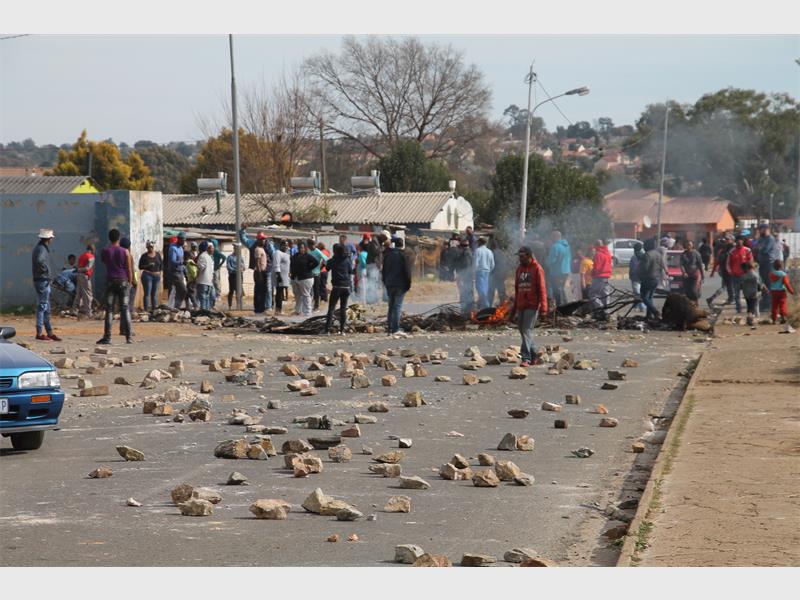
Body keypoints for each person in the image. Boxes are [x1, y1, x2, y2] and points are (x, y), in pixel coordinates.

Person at [509, 246, 547, 367]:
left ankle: (526, 358)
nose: (520, 259)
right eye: (519, 256)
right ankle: (534, 355)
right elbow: (517, 290)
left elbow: (542, 289)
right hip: (521, 304)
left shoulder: (537, 268)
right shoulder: (519, 269)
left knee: (527, 330)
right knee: (523, 331)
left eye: (522, 256)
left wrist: (544, 308)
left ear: (529, 256)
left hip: (532, 305)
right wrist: (513, 310)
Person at [97, 228, 133, 345]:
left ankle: (107, 337)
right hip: (123, 281)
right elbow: (129, 269)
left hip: (111, 281)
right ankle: (129, 337)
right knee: (125, 309)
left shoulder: (105, 251)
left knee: (109, 310)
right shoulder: (125, 251)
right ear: (119, 238)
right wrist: (130, 283)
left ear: (109, 238)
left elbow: (104, 262)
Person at [31, 228, 62, 341]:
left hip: (42, 279)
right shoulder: (41, 249)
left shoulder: (40, 248)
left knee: (47, 307)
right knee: (42, 306)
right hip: (42, 280)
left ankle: (49, 332)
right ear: (48, 238)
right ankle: (39, 333)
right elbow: (39, 261)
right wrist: (46, 271)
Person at [382, 237, 412, 335]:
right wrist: (408, 284)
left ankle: (389, 328)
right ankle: (395, 329)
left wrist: (385, 282)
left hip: (389, 284)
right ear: (402, 245)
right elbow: (407, 271)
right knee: (397, 306)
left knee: (391, 306)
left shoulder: (388, 255)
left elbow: (384, 270)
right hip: (400, 284)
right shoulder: (403, 255)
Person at [324, 243, 353, 335]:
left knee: (331, 308)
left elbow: (327, 268)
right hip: (346, 287)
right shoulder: (348, 260)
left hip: (337, 287)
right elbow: (350, 271)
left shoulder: (333, 260)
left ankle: (327, 330)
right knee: (343, 308)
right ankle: (342, 330)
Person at [753, 224, 782, 313]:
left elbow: (764, 250)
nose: (760, 231)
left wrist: (759, 248)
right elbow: (755, 247)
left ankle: (769, 305)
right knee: (763, 284)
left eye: (761, 229)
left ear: (766, 229)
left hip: (769, 264)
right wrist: (758, 247)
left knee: (769, 284)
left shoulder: (770, 239)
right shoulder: (761, 239)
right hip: (762, 264)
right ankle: (765, 303)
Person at [638, 238, 668, 321]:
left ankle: (655, 312)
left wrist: (640, 276)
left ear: (647, 246)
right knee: (650, 297)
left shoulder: (647, 255)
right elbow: (663, 265)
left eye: (644, 246)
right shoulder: (658, 254)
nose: (643, 247)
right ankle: (649, 315)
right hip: (656, 279)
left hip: (648, 279)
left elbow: (645, 268)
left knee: (644, 297)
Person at [290, 242, 319, 317]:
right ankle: (298, 311)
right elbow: (292, 265)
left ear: (305, 248)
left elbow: (316, 262)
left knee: (306, 295)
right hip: (296, 278)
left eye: (302, 248)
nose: (301, 249)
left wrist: (308, 268)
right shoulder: (295, 256)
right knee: (297, 295)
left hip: (306, 278)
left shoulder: (307, 256)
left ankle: (307, 312)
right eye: (300, 248)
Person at [726, 236, 754, 314]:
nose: (739, 243)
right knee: (737, 293)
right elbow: (728, 263)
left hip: (745, 275)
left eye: (740, 242)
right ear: (735, 242)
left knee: (747, 293)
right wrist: (730, 271)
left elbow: (751, 261)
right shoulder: (732, 251)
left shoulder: (747, 250)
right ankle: (739, 309)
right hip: (735, 275)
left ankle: (749, 309)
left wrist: (750, 272)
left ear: (743, 242)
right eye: (737, 242)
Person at [545, 230, 571, 307]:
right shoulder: (567, 246)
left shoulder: (555, 246)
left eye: (552, 237)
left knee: (557, 290)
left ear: (555, 237)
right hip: (566, 271)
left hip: (557, 272)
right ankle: (566, 304)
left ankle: (560, 306)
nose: (551, 239)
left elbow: (551, 260)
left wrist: (546, 263)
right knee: (562, 289)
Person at [767, 259, 796, 325]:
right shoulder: (783, 275)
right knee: (782, 304)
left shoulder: (771, 274)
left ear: (773, 266)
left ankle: (774, 320)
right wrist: (791, 291)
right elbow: (787, 284)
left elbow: (770, 283)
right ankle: (783, 317)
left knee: (774, 306)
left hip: (774, 292)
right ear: (781, 266)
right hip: (781, 292)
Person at [739, 262, 767, 326]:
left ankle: (750, 317)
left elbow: (741, 286)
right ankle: (750, 318)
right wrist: (762, 289)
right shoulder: (756, 275)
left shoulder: (743, 276)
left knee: (749, 305)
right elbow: (759, 284)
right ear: (753, 267)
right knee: (752, 307)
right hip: (754, 293)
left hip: (746, 293)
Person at [589, 240, 613, 314]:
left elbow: (597, 267)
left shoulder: (598, 254)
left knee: (592, 294)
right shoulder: (608, 253)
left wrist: (592, 273)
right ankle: (607, 311)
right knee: (605, 295)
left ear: (596, 246)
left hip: (598, 277)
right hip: (606, 276)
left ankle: (600, 308)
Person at [138, 241, 162, 313]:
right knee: (147, 293)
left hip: (156, 276)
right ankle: (146, 310)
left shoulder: (158, 255)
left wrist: (159, 273)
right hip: (147, 275)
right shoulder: (144, 256)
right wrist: (148, 266)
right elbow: (140, 267)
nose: (150, 248)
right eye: (149, 247)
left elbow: (161, 265)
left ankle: (154, 310)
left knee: (154, 294)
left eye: (151, 247)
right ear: (147, 247)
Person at [453, 238, 474, 316]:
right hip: (469, 277)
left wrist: (460, 277)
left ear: (462, 246)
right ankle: (469, 311)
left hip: (464, 277)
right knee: (469, 293)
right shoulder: (470, 253)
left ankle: (465, 311)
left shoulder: (464, 254)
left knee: (464, 293)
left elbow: (465, 267)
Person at [74, 243, 95, 319]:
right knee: (88, 294)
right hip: (85, 276)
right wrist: (80, 270)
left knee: (79, 293)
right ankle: (88, 312)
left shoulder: (82, 255)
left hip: (79, 275)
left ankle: (75, 310)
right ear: (92, 250)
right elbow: (87, 268)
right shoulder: (91, 257)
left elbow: (78, 265)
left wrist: (78, 270)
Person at [473, 237, 495, 310]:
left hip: (480, 272)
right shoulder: (490, 251)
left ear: (479, 242)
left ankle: (486, 306)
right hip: (487, 272)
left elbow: (476, 264)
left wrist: (474, 273)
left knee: (481, 290)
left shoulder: (478, 251)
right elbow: (493, 265)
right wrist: (489, 270)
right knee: (485, 289)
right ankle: (483, 307)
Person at [119, 237, 137, 321]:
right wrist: (133, 281)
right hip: (127, 280)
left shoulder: (116, 254)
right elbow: (131, 269)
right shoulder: (128, 255)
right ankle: (128, 314)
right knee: (129, 300)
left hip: (118, 279)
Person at [168, 233, 187, 309]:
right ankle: (177, 306)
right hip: (175, 272)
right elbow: (172, 261)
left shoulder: (181, 248)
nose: (184, 242)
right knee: (183, 290)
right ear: (179, 239)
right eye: (183, 240)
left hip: (181, 272)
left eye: (185, 240)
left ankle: (176, 307)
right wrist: (181, 262)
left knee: (178, 291)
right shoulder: (173, 248)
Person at [272, 240, 291, 315]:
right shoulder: (278, 253)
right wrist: (278, 275)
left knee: (281, 293)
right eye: (284, 245)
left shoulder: (286, 254)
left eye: (287, 245)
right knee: (279, 293)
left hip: (285, 276)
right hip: (280, 276)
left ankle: (279, 309)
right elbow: (276, 264)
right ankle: (278, 310)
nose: (286, 247)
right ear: (280, 246)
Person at [307, 240, 327, 311]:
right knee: (309, 290)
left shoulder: (318, 251)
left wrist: (321, 266)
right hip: (309, 274)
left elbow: (326, 259)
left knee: (316, 290)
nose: (310, 247)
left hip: (316, 274)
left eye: (311, 245)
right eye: (309, 245)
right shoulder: (309, 252)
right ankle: (309, 305)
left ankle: (316, 306)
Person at [489, 239, 510, 305]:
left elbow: (491, 265)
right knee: (501, 291)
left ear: (492, 246)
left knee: (491, 291)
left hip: (495, 274)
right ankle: (503, 305)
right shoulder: (502, 252)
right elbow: (506, 263)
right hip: (502, 274)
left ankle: (489, 305)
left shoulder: (492, 253)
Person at [252, 235, 269, 315]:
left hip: (263, 271)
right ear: (258, 240)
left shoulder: (262, 249)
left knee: (263, 291)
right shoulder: (258, 249)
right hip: (259, 272)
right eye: (261, 239)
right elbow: (257, 263)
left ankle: (261, 308)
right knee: (259, 291)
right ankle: (258, 309)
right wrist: (260, 275)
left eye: (264, 239)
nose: (263, 241)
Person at [196, 241, 214, 311]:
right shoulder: (209, 257)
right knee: (207, 298)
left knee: (203, 298)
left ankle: (203, 312)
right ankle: (207, 313)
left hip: (202, 281)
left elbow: (201, 267)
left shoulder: (202, 256)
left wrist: (196, 276)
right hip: (209, 281)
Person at [364, 233, 382, 304]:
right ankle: (371, 299)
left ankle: (371, 299)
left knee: (372, 282)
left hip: (371, 264)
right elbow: (376, 252)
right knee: (372, 282)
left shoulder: (372, 242)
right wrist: (382, 248)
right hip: (372, 264)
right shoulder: (374, 242)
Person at [628, 241, 646, 312]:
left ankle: (641, 307)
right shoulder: (645, 255)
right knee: (641, 293)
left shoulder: (634, 257)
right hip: (643, 277)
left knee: (637, 293)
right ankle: (638, 306)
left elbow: (633, 268)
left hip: (635, 278)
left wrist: (631, 275)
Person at [226, 245, 244, 310]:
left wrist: (242, 269)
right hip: (233, 276)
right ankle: (230, 306)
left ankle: (239, 305)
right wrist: (236, 270)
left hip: (240, 276)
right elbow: (228, 267)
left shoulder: (240, 257)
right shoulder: (230, 257)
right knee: (231, 290)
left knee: (239, 291)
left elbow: (243, 266)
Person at [210, 239, 226, 308]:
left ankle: (218, 295)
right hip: (211, 269)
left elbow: (224, 257)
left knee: (216, 282)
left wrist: (220, 265)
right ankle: (213, 295)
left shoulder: (216, 251)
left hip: (216, 269)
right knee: (212, 282)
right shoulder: (210, 251)